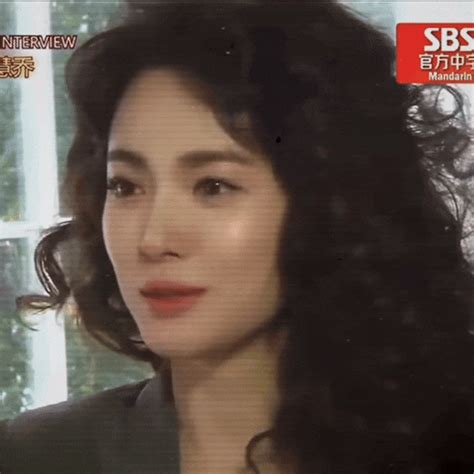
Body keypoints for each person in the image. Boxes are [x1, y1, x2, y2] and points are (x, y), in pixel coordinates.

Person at [1, 1, 474, 473]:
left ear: (330, 204)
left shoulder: (447, 447)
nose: (153, 239)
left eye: (213, 186)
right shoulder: (35, 457)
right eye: (125, 186)